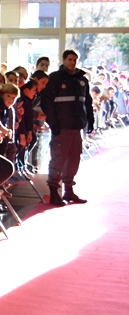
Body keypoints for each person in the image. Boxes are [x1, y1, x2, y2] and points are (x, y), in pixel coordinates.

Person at [41, 49, 93, 206]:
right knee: (58, 159)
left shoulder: (82, 80)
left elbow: (87, 102)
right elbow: (47, 103)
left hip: (76, 127)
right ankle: (54, 192)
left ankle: (69, 191)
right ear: (63, 60)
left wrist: (90, 120)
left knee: (74, 160)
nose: (72, 62)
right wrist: (53, 123)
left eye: (75, 60)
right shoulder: (55, 79)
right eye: (70, 59)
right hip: (61, 127)